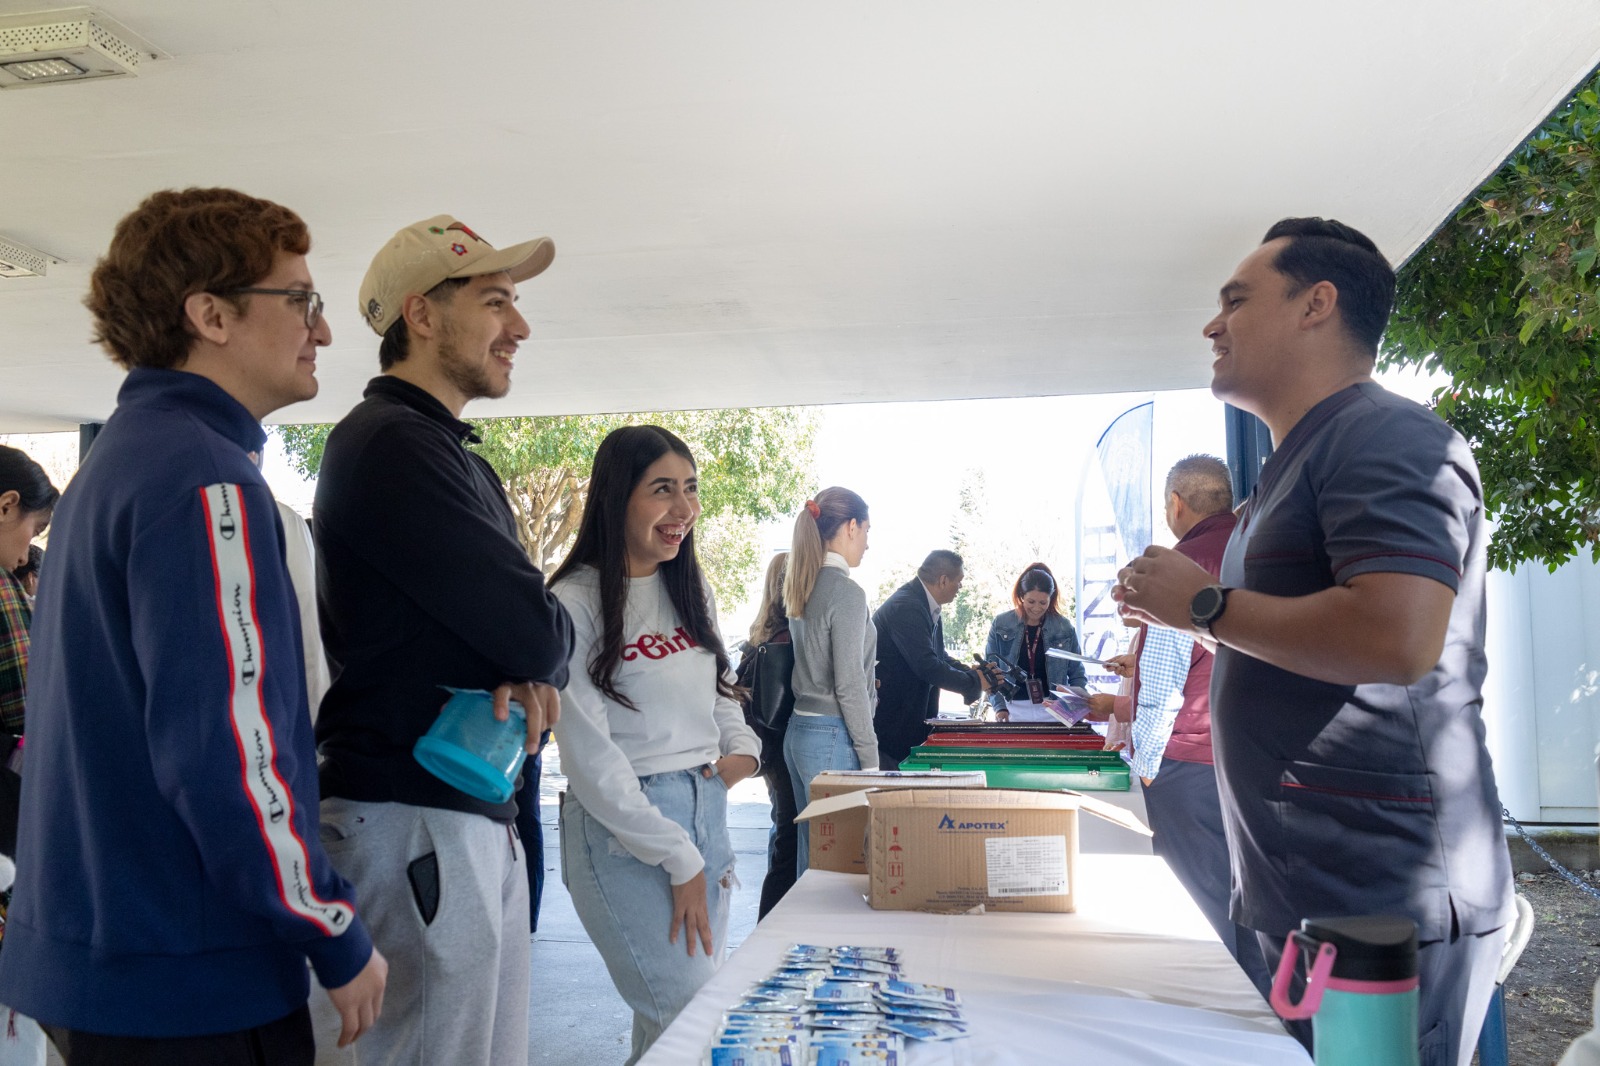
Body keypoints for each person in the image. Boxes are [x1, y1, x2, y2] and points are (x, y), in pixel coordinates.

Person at [1115, 217, 1515, 1066]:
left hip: (1380, 895)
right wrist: (1194, 617)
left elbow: (1397, 637)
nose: (1211, 326)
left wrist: (1206, 607)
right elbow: (1305, 648)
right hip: (1310, 887)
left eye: (1235, 300)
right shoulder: (1288, 470)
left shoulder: (1389, 438)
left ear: (1316, 305)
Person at [0, 188, 385, 1065]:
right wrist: (331, 926)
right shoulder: (206, 481)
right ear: (210, 314)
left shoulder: (123, 462)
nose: (321, 332)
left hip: (108, 960)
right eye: (302, 302)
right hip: (187, 980)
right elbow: (228, 751)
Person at [312, 214, 574, 1065]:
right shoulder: (392, 445)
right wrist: (533, 658)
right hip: (415, 821)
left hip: (452, 815)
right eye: (496, 301)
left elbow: (527, 639)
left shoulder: (442, 449)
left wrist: (532, 664)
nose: (520, 327)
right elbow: (538, 628)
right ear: (420, 316)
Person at [549, 425, 759, 1065]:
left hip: (706, 814)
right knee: (695, 1021)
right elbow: (588, 756)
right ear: (619, 498)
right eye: (662, 490)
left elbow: (717, 689)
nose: (684, 510)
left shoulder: (688, 587)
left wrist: (741, 748)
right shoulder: (572, 602)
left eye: (690, 490)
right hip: (624, 836)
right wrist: (680, 857)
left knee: (668, 1030)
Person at [1117, 455, 1271, 994]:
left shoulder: (1178, 565)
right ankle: (1266, 1031)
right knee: (1252, 911)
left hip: (1189, 764)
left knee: (1200, 914)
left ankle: (1217, 1030)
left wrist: (1146, 765)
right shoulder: (1258, 549)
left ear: (1175, 505)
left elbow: (1163, 685)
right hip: (1251, 762)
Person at [783, 488, 876, 873]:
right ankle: (829, 939)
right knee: (838, 870)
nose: (868, 544)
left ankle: (812, 937)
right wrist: (870, 757)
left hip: (800, 731)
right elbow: (849, 683)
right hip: (832, 736)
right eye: (868, 531)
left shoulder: (802, 584)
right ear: (851, 527)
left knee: (814, 865)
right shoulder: (846, 592)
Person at [0, 449, 57, 1066]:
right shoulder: (2, 589)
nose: (27, 551)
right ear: (5, 505)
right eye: (32, 532)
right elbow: (28, 708)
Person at [872, 550, 988, 768]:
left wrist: (974, 674)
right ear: (943, 580)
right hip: (892, 725)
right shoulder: (908, 606)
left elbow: (939, 655)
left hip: (906, 721)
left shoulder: (926, 604)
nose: (960, 589)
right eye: (959, 582)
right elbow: (927, 666)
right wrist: (973, 682)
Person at [734, 551, 800, 918]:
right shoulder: (790, 635)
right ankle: (770, 925)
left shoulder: (761, 632)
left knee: (781, 834)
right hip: (784, 745)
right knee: (788, 844)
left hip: (768, 748)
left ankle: (768, 924)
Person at [983, 563, 1085, 713]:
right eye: (1031, 601)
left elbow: (1077, 674)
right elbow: (990, 670)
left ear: (1051, 598)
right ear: (1021, 596)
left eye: (1043, 602)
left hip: (1055, 708)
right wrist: (999, 708)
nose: (1037, 608)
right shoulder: (1001, 623)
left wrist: (1075, 709)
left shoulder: (1064, 627)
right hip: (1011, 708)